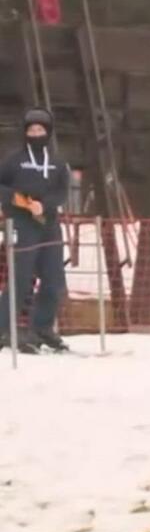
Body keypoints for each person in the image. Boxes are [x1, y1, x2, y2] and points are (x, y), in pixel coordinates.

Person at [0, 107, 69, 353]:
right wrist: (20, 201)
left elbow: (62, 191)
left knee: (53, 280)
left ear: (47, 132)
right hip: (21, 224)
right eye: (32, 130)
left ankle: (42, 327)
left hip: (49, 225)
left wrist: (45, 205)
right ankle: (4, 329)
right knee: (21, 278)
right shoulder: (14, 159)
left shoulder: (58, 162)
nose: (36, 133)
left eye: (40, 130)